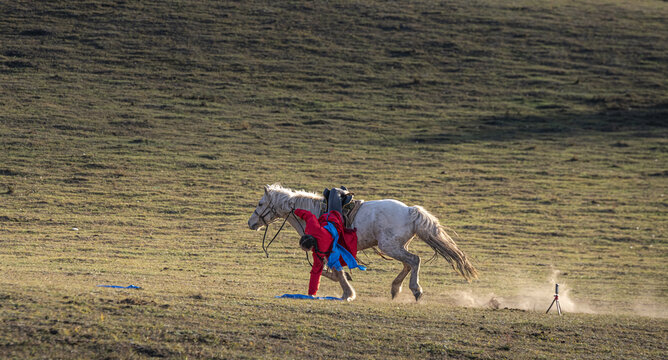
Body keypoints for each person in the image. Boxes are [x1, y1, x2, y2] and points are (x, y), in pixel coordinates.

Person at [294, 187, 365, 296]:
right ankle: (343, 192)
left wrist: (311, 294)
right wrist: (296, 211)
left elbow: (315, 273)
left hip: (335, 233)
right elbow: (309, 216)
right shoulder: (313, 229)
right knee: (333, 191)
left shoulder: (318, 253)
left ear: (311, 248)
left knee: (330, 193)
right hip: (333, 217)